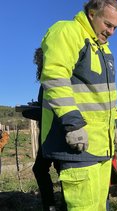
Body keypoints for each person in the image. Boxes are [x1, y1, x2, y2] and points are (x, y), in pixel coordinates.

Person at [39, 1, 117, 210]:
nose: (111, 32)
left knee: (99, 206)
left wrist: (116, 123)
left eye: (115, 27)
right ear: (91, 13)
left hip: (101, 147)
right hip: (77, 144)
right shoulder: (67, 31)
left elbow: (107, 96)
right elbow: (55, 78)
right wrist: (73, 124)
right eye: (108, 24)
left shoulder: (104, 50)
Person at [21, 48, 61, 211]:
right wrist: (35, 107)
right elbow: (46, 106)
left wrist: (30, 112)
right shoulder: (45, 82)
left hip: (55, 134)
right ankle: (53, 205)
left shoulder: (54, 79)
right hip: (47, 134)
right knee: (49, 168)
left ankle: (53, 205)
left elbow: (53, 110)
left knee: (52, 168)